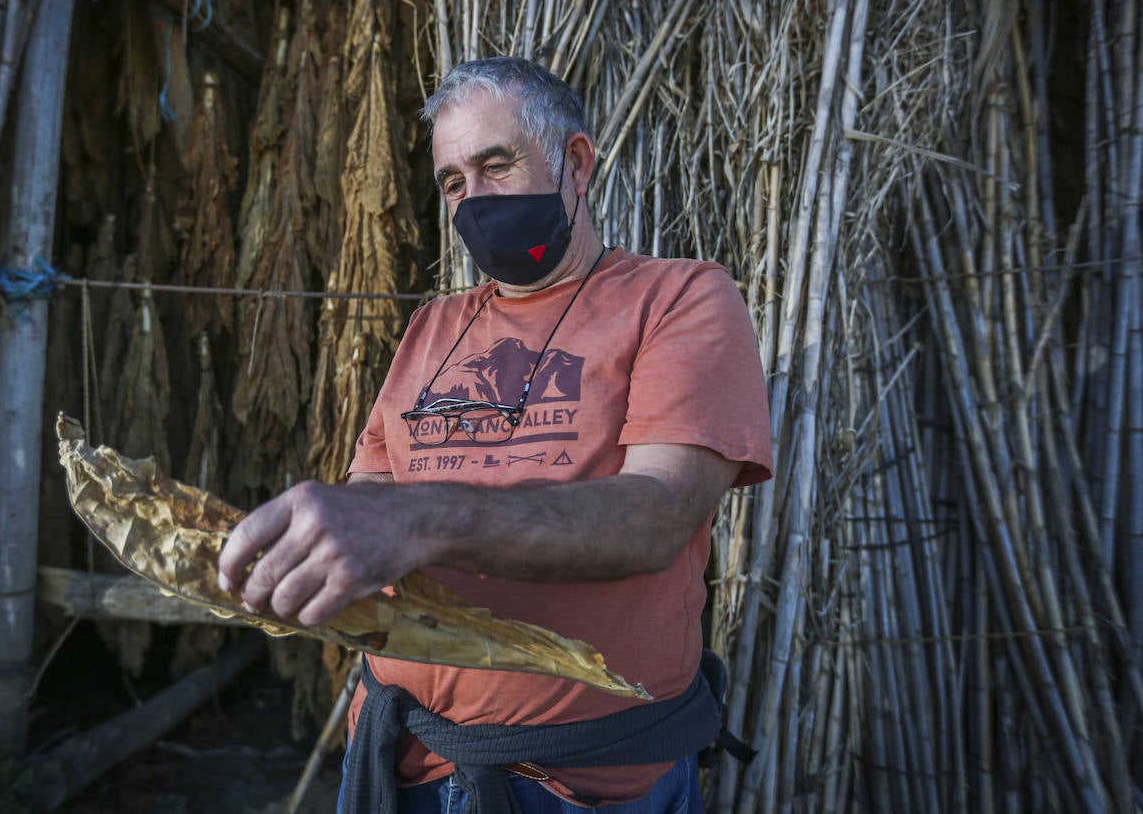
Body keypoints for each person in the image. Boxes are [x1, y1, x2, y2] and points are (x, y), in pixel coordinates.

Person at [218, 56, 773, 812]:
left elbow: (657, 517)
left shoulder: (676, 298)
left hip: (575, 788)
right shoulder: (435, 327)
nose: (473, 200)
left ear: (575, 163)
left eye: (495, 165)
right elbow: (370, 496)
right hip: (399, 759)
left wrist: (420, 519)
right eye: (453, 183)